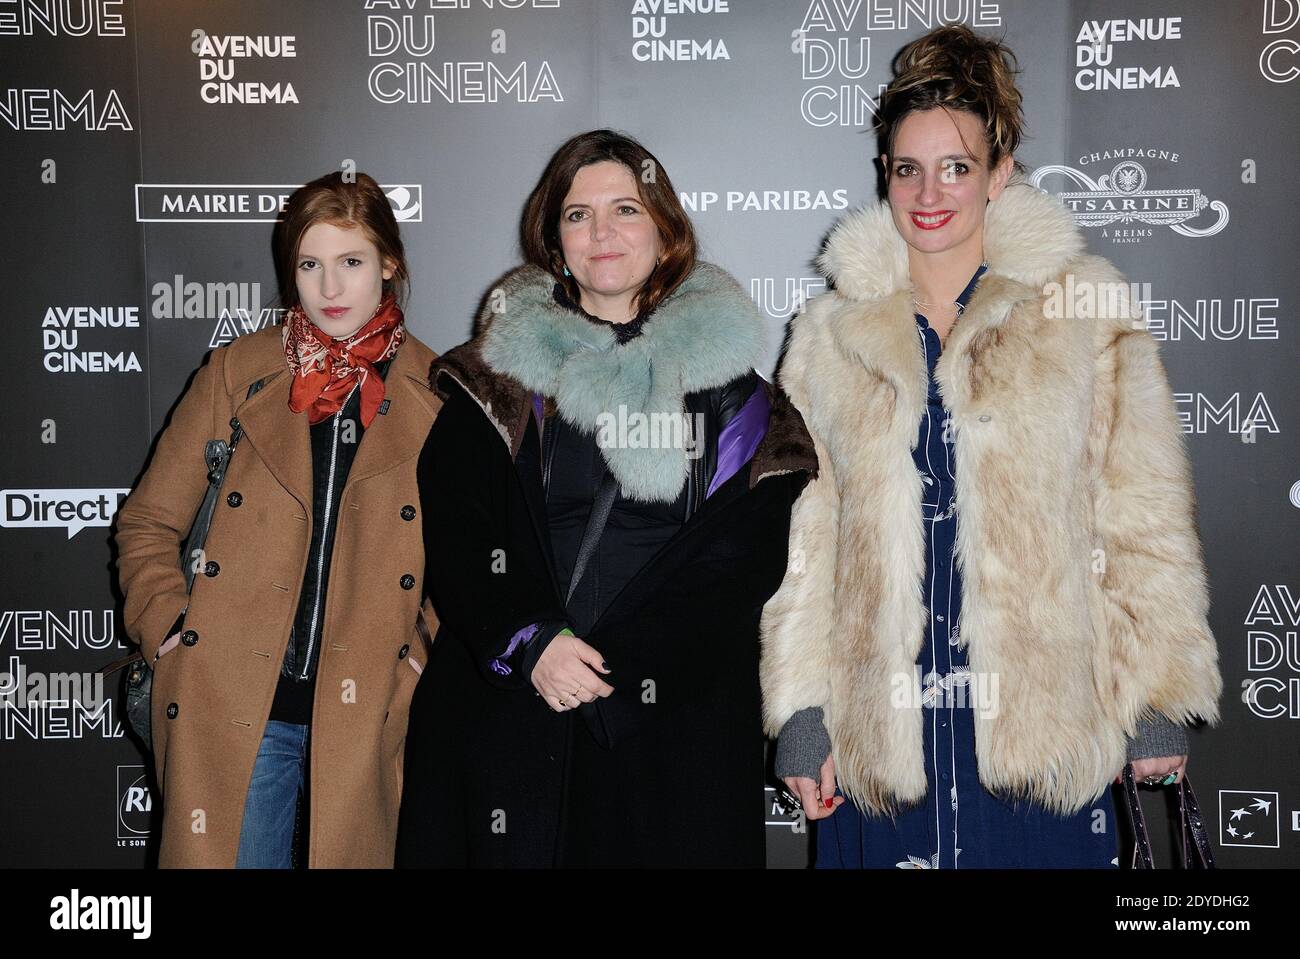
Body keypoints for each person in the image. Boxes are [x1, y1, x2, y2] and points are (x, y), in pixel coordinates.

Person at [761, 25, 1222, 868]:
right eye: (908, 168)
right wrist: (800, 710)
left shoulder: (1082, 310)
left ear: (999, 174)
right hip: (882, 746)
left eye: (957, 167)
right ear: (885, 178)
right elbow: (805, 542)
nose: (929, 192)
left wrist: (1156, 695)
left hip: (1041, 741)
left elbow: (1140, 514)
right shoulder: (828, 338)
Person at [395, 129, 817, 867]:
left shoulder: (738, 401)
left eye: (625, 209)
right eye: (578, 215)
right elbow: (461, 533)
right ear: (554, 241)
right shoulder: (493, 379)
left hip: (670, 738)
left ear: (664, 230)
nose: (602, 233)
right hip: (512, 727)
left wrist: (615, 677)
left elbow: (739, 564)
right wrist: (532, 643)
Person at [115, 171, 441, 868]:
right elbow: (147, 523)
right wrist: (170, 629)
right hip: (238, 707)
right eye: (309, 265)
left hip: (365, 713)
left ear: (389, 263)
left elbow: (467, 557)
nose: (329, 289)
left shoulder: (436, 395)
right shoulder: (239, 372)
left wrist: (419, 658)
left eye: (351, 262)